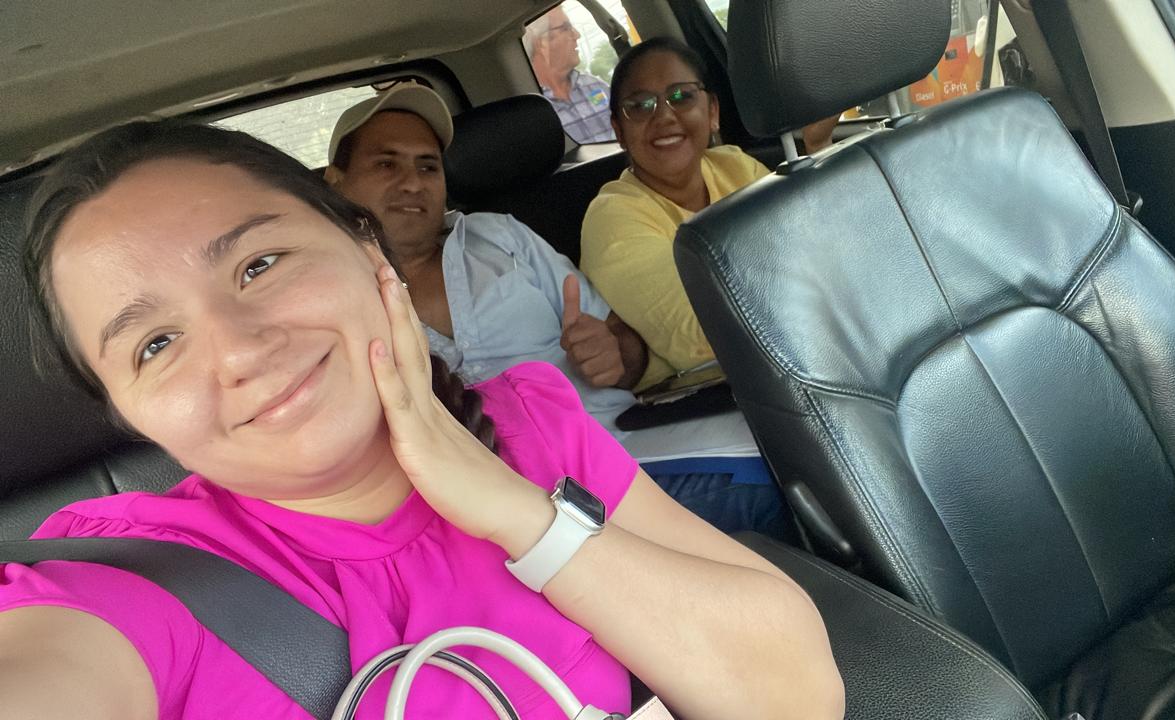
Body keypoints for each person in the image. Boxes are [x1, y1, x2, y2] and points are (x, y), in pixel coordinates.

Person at [0, 120, 843, 718]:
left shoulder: (529, 427)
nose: (238, 351)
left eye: (259, 264)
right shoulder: (121, 582)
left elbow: (797, 695)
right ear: (129, 414)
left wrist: (516, 511)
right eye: (154, 345)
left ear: (366, 251)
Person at [324, 84, 793, 539]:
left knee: (792, 454)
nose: (412, 183)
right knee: (776, 491)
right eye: (386, 163)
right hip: (494, 510)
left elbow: (624, 351)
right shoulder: (327, 302)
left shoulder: (499, 238)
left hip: (617, 449)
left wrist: (616, 354)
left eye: (428, 167)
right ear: (335, 181)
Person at [579, 38, 832, 388]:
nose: (663, 116)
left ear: (712, 112)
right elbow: (705, 334)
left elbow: (818, 243)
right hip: (705, 394)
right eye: (640, 105)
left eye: (681, 96)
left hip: (800, 357)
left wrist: (818, 149)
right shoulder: (612, 218)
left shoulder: (734, 166)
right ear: (619, 131)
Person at [523, 4, 616, 143]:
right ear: (540, 42)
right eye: (565, 28)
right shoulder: (531, 111)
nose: (577, 35)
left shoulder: (595, 86)